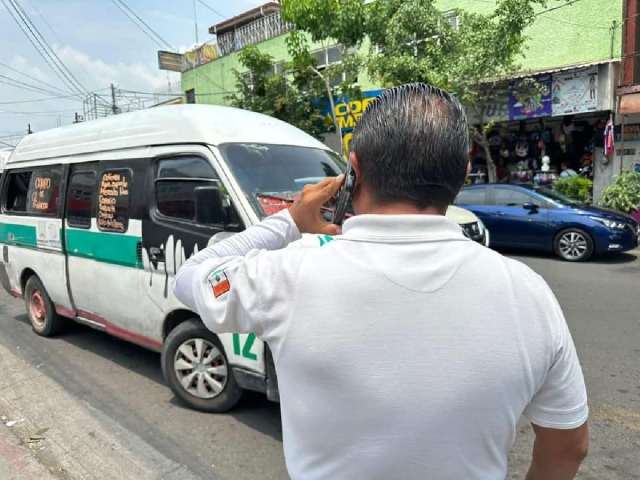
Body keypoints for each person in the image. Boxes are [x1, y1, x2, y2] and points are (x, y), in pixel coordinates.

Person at [173, 83, 589, 480]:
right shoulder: (529, 292)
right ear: (463, 173)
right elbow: (568, 446)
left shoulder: (286, 274)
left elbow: (191, 275)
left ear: (354, 171)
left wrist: (289, 222)